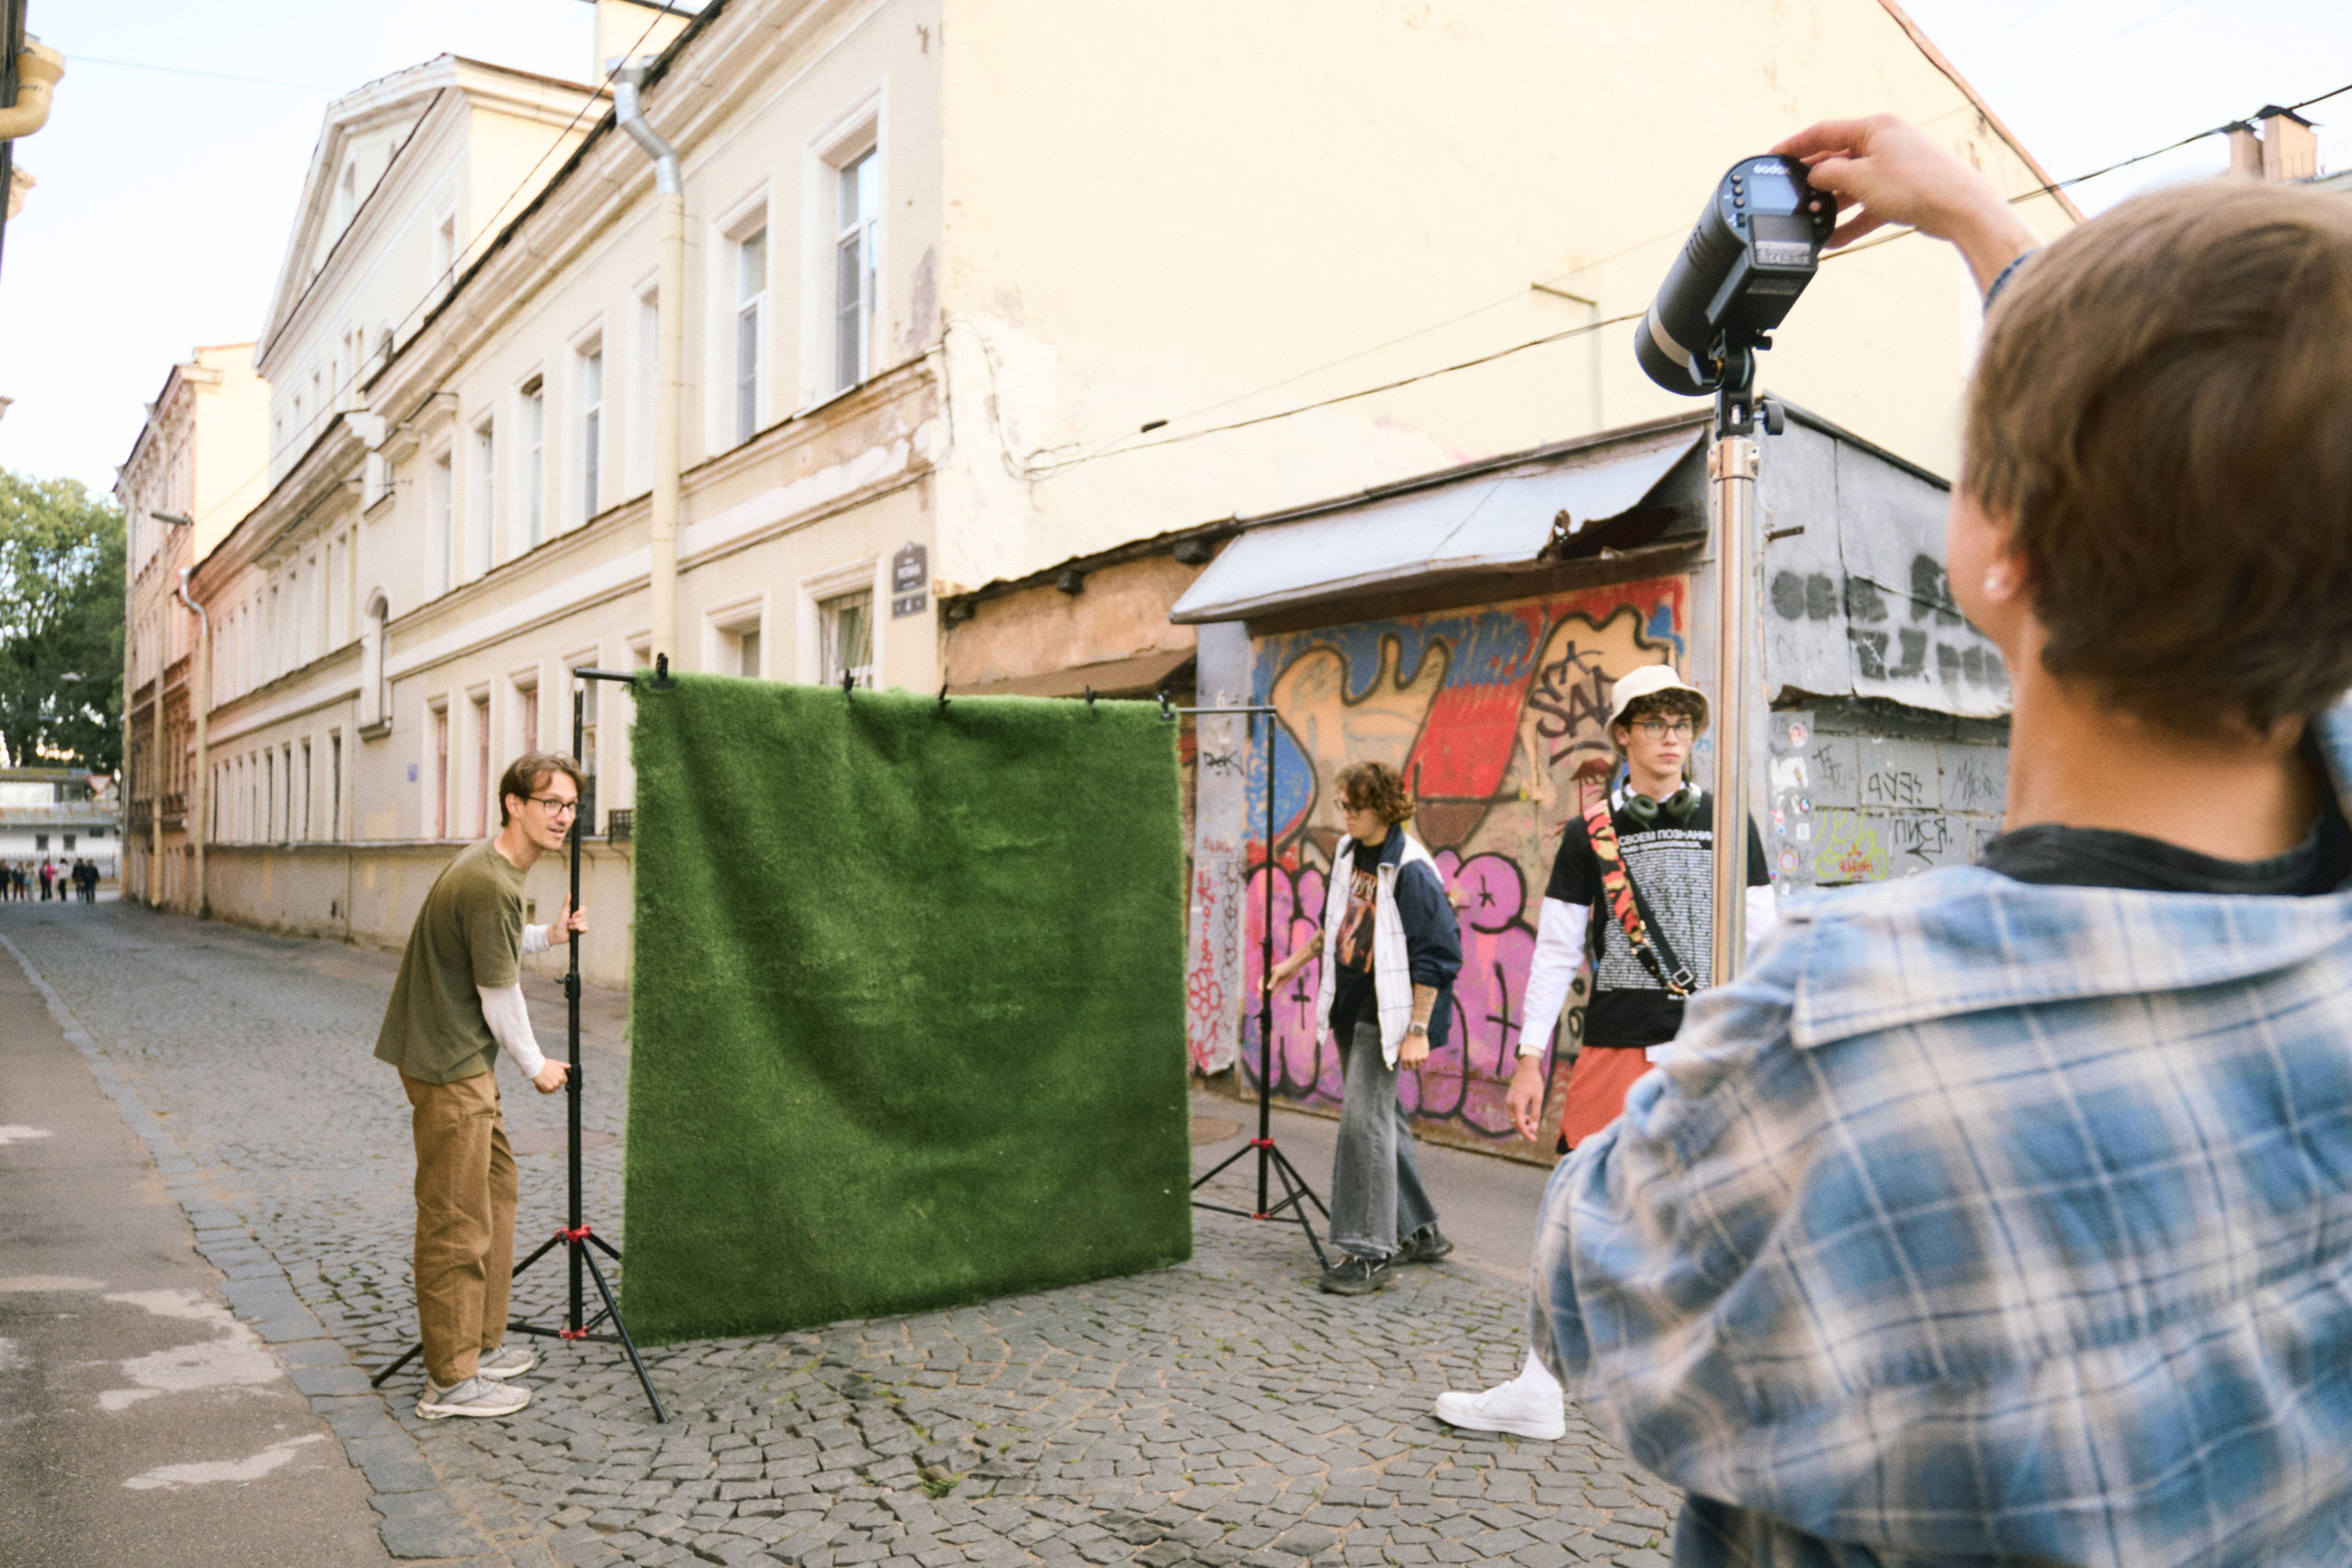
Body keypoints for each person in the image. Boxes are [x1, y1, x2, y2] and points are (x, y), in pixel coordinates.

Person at [1532, 117, 2352, 1564]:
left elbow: (1592, 1293)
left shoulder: (1845, 1031)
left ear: (1998, 543)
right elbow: (2235, 459)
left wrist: (1718, 1064)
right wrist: (1978, 222)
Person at [1431, 662, 1771, 1442]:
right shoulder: (1592, 834)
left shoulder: (1728, 820)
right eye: (1653, 721)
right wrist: (1527, 1057)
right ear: (1623, 734)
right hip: (1618, 1043)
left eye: (1681, 721)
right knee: (1575, 1211)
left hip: (1712, 1046)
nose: (1671, 735)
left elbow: (1765, 935)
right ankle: (1540, 1386)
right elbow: (1554, 951)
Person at [375, 750, 587, 1421]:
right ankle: (450, 1380)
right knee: (454, 1219)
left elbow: (492, 940)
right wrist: (538, 1066)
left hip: (458, 1060)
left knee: (495, 1194)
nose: (564, 816)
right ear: (513, 803)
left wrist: (547, 936)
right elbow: (500, 995)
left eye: (572, 805)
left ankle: (480, 1343)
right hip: (450, 1066)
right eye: (551, 802)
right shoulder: (491, 878)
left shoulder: (492, 869)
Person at [1264, 761, 1462, 1295]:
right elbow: (1339, 925)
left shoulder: (1412, 870)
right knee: (1382, 1118)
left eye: (1355, 807)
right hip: (1352, 1001)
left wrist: (1418, 1028)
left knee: (1362, 1124)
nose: (1345, 815)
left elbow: (1438, 958)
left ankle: (1368, 1251)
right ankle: (1419, 1230)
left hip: (1392, 1013)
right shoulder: (1350, 854)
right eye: (1342, 805)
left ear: (1384, 807)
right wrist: (1295, 962)